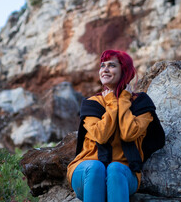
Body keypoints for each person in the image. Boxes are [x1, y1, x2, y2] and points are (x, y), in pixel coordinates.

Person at [67, 49, 156, 202]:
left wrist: (123, 100)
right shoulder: (92, 103)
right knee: (96, 167)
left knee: (114, 168)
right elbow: (101, 136)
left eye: (112, 65)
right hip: (86, 171)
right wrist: (112, 102)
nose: (105, 69)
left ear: (124, 71)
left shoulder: (141, 103)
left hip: (124, 173)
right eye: (102, 66)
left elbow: (128, 133)